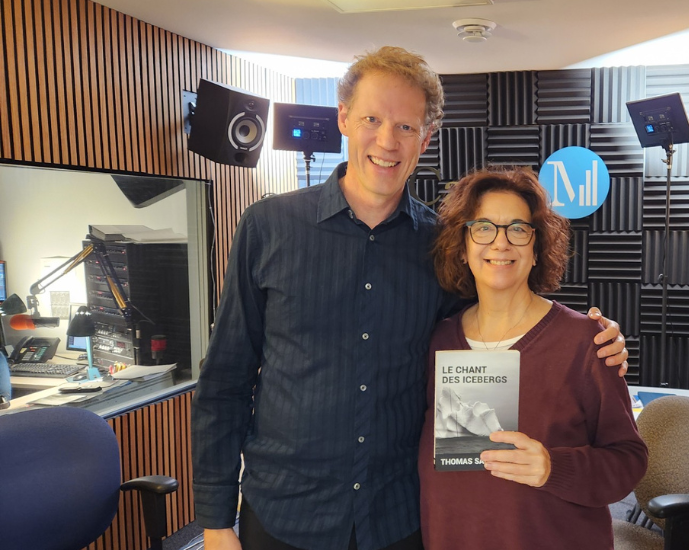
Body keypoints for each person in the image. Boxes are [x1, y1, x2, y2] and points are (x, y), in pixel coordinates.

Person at [192, 46, 629, 550]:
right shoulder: (268, 226)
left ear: (426, 137)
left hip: (398, 518)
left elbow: (499, 320)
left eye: (405, 126)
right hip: (285, 513)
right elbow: (225, 380)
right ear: (344, 119)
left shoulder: (441, 244)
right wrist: (215, 517)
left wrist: (593, 335)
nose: (387, 140)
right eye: (372, 118)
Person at [418, 168, 648, 549]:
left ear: (537, 248)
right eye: (483, 228)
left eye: (518, 229)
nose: (501, 243)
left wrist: (554, 468)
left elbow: (628, 461)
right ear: (462, 245)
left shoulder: (585, 342)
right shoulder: (439, 339)